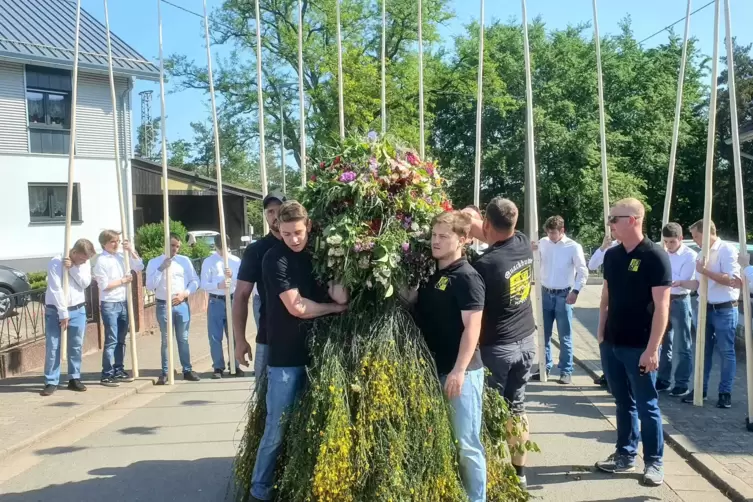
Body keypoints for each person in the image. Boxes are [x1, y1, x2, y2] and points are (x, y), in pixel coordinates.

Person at [246, 201, 348, 502]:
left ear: (309, 227)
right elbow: (297, 306)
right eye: (287, 233)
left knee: (313, 427)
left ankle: (299, 487)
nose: (293, 239)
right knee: (277, 428)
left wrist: (339, 261)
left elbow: (339, 293)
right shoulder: (273, 258)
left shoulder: (318, 255)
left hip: (320, 355)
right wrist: (335, 309)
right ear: (278, 229)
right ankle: (259, 490)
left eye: (299, 233)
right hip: (286, 358)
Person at [406, 211, 486, 502]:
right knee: (440, 439)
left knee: (466, 444)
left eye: (443, 237)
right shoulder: (432, 273)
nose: (435, 241)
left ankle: (476, 498)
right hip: (432, 370)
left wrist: (459, 371)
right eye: (433, 235)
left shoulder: (466, 277)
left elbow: (472, 329)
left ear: (463, 240)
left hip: (459, 373)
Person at [595, 198, 670, 487]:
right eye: (610, 219)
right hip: (612, 342)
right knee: (622, 401)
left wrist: (652, 349)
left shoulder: (655, 257)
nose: (610, 224)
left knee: (647, 404)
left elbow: (662, 307)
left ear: (633, 220)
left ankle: (654, 462)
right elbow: (606, 297)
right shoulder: (612, 256)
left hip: (640, 345)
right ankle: (625, 454)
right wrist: (601, 333)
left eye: (615, 219)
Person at [462, 197, 536, 489]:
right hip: (526, 340)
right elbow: (487, 231)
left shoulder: (484, 265)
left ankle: (490, 472)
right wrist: (468, 220)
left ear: (488, 223)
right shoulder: (522, 241)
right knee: (517, 408)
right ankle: (520, 475)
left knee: (489, 412)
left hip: (498, 347)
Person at [682, 220, 740, 409]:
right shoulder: (701, 254)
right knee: (702, 350)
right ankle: (700, 389)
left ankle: (725, 392)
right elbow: (699, 284)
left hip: (724, 308)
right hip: (704, 307)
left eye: (697, 236)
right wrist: (681, 283)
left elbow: (732, 280)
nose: (695, 241)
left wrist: (705, 271)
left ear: (707, 234)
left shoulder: (727, 250)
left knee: (726, 352)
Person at [233, 191, 286, 385]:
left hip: (305, 336)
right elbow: (240, 296)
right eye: (270, 211)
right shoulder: (257, 250)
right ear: (265, 216)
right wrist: (240, 340)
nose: (275, 216)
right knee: (265, 401)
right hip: (268, 334)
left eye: (279, 210)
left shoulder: (305, 244)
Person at [531, 215, 587, 385]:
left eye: (553, 233)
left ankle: (566, 370)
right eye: (548, 233)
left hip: (564, 294)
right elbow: (534, 260)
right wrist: (532, 249)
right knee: (544, 334)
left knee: (565, 336)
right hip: (546, 293)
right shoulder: (543, 242)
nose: (551, 236)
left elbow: (582, 271)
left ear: (562, 231)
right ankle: (544, 367)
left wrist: (575, 291)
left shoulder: (573, 247)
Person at [41, 239, 97, 396]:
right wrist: (62, 313)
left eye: (86, 260)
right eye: (82, 258)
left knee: (76, 345)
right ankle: (51, 381)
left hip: (78, 309)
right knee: (53, 346)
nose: (84, 262)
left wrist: (73, 268)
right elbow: (55, 289)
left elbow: (85, 283)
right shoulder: (55, 262)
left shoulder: (81, 264)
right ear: (74, 252)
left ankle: (74, 377)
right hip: (55, 310)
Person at [145, 233, 201, 385]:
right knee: (166, 339)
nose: (175, 248)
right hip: (164, 304)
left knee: (183, 338)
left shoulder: (184, 261)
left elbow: (195, 281)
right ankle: (166, 371)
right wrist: (161, 268)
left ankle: (187, 369)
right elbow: (150, 286)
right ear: (165, 244)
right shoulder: (154, 262)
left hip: (181, 304)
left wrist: (185, 294)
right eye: (172, 245)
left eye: (177, 246)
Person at [93, 230, 144, 387]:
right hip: (110, 303)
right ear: (104, 244)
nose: (116, 244)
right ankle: (106, 374)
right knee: (112, 339)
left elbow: (139, 266)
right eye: (112, 241)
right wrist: (123, 280)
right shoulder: (101, 261)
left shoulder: (122, 257)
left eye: (117, 241)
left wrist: (131, 251)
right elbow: (104, 286)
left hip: (123, 302)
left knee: (122, 339)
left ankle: (119, 369)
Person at [658, 223, 697, 397]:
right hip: (664, 300)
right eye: (666, 242)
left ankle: (681, 383)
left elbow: (682, 279)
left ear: (680, 239)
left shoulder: (690, 256)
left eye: (672, 242)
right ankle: (663, 379)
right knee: (663, 342)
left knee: (682, 344)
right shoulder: (663, 253)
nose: (668, 245)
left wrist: (670, 280)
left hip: (680, 300)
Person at [200, 234, 243, 379]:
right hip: (215, 301)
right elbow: (204, 284)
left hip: (232, 300)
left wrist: (233, 277)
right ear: (216, 246)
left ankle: (235, 365)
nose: (223, 250)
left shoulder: (235, 261)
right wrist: (218, 285)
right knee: (215, 336)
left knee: (234, 335)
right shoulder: (209, 261)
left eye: (225, 246)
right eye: (220, 247)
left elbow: (243, 282)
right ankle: (218, 367)